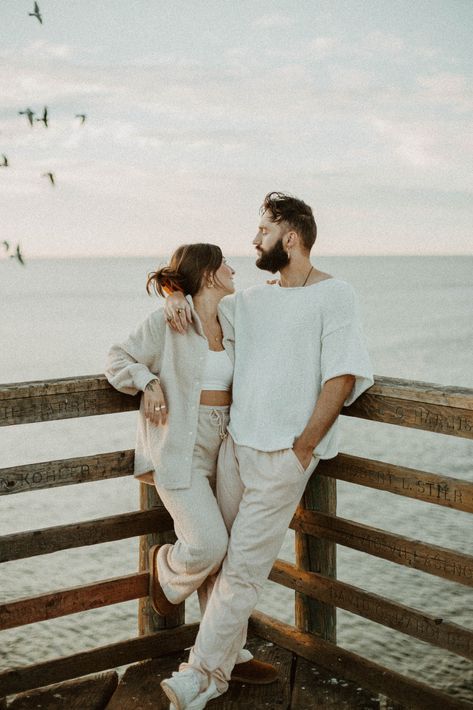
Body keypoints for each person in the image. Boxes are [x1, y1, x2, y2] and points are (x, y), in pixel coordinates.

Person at [160, 192, 374, 710]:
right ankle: (227, 658)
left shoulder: (336, 294)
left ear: (290, 236)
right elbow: (199, 296)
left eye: (262, 231)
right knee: (219, 566)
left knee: (243, 571)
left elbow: (341, 377)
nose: (254, 241)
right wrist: (170, 291)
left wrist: (303, 450)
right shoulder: (251, 301)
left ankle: (201, 675)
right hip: (237, 447)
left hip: (284, 458)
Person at [104, 243, 278, 689]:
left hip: (228, 447)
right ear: (209, 275)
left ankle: (228, 655)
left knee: (227, 558)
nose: (234, 269)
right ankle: (166, 569)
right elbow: (117, 357)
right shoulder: (168, 321)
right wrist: (146, 382)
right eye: (225, 264)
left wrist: (173, 291)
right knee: (207, 544)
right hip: (179, 448)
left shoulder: (234, 319)